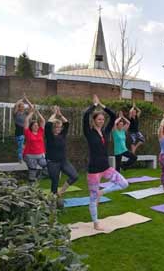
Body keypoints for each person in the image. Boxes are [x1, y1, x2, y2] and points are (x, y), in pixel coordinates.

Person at [83, 95, 128, 230]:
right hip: (93, 170)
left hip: (106, 167)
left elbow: (113, 116)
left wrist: (102, 105)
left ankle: (102, 192)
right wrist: (93, 105)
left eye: (103, 119)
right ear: (94, 120)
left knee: (124, 183)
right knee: (92, 198)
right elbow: (85, 115)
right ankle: (96, 222)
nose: (101, 121)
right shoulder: (89, 132)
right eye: (99, 119)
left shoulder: (106, 131)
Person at [45, 105, 78, 196]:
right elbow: (48, 124)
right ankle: (53, 200)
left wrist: (60, 115)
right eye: (56, 127)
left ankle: (61, 191)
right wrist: (54, 114)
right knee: (55, 182)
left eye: (59, 127)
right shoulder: (50, 136)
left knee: (74, 176)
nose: (58, 129)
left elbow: (67, 124)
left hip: (63, 161)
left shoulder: (62, 135)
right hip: (52, 162)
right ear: (53, 128)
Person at [23, 103, 47, 182]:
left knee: (47, 166)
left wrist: (37, 112)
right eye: (34, 125)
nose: (36, 126)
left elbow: (43, 121)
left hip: (40, 155)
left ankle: (40, 177)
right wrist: (31, 112)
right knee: (32, 172)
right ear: (31, 127)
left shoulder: (40, 131)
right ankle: (31, 187)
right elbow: (26, 120)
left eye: (37, 125)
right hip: (30, 155)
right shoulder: (27, 133)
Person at [13, 94, 32, 163]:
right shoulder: (16, 113)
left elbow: (31, 107)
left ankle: (25, 159)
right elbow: (15, 105)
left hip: (26, 131)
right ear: (19, 107)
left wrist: (26, 100)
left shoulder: (26, 113)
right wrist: (22, 99)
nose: (23, 107)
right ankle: (20, 159)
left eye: (23, 106)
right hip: (19, 132)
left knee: (26, 147)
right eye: (21, 106)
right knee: (21, 146)